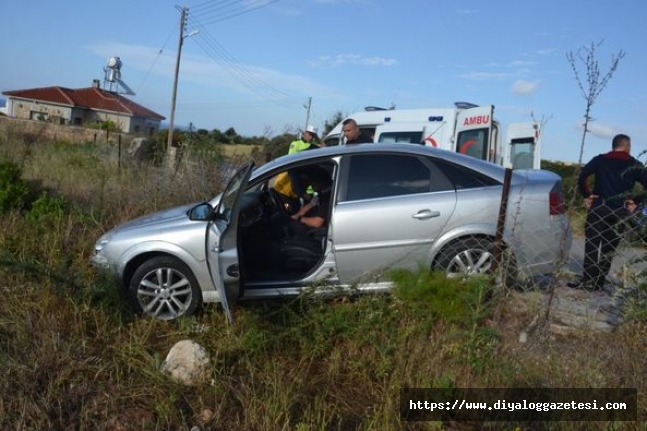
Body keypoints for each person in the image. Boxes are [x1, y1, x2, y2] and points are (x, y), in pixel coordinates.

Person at [569, 133, 647, 291]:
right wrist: (636, 201)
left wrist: (587, 195)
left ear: (613, 145)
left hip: (599, 207)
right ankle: (598, 282)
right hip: (621, 211)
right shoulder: (635, 164)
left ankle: (587, 281)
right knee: (609, 248)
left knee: (592, 244)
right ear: (627, 147)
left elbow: (583, 176)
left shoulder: (600, 159)